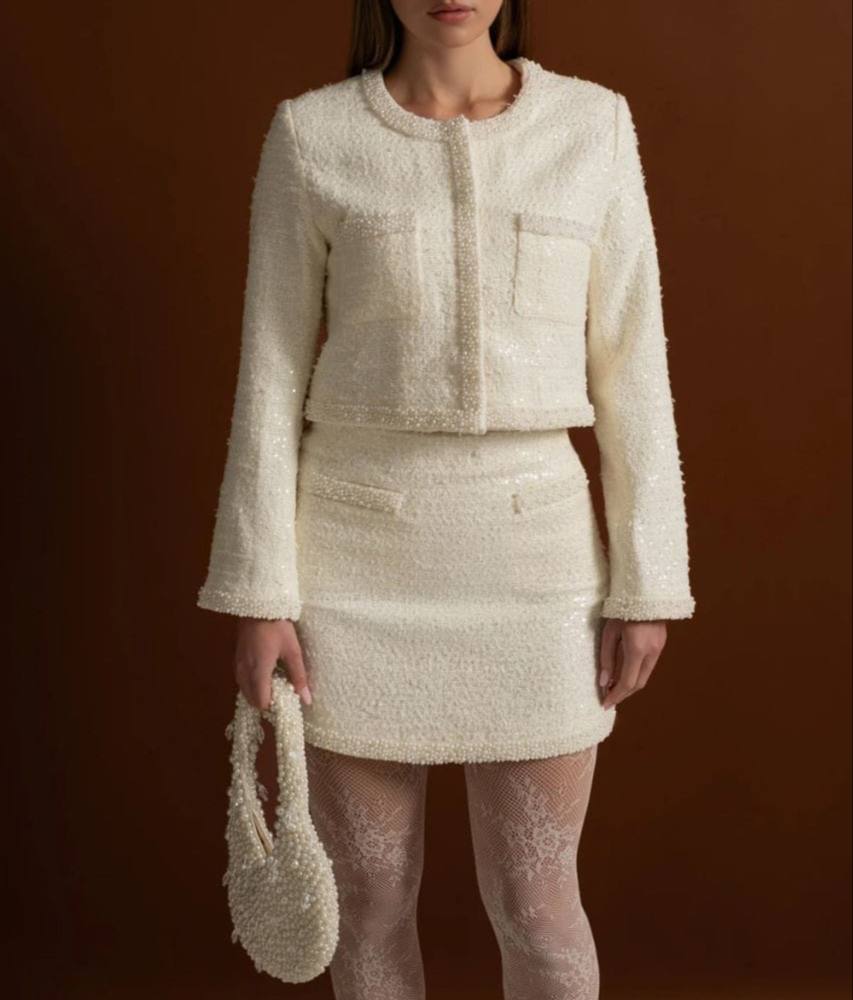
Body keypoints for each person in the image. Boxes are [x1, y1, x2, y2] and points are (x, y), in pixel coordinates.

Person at [197, 1, 696, 997]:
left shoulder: (590, 127)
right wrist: (259, 591)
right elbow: (269, 373)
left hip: (537, 567)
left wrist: (648, 582)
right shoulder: (314, 137)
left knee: (538, 906)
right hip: (355, 566)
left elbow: (632, 367)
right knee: (368, 903)